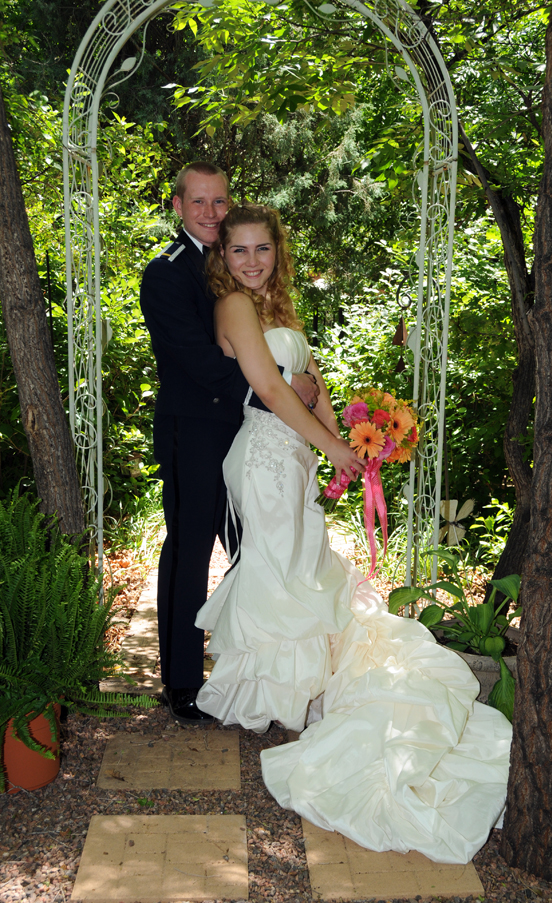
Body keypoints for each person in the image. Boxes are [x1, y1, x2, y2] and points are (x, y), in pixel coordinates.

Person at [194, 202, 513, 865]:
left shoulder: (279, 310)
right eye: (239, 250)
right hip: (263, 459)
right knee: (278, 574)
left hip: (296, 456)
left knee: (307, 569)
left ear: (276, 253)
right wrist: (330, 445)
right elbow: (274, 394)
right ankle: (275, 702)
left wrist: (344, 444)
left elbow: (312, 391)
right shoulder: (233, 309)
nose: (251, 261)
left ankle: (303, 695)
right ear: (222, 257)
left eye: (262, 250)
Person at [140, 163, 322, 725]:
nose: (211, 213)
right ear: (178, 206)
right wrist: (273, 388)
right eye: (199, 202)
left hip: (247, 434)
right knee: (191, 548)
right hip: (193, 429)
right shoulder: (166, 274)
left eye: (220, 201)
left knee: (257, 549)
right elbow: (198, 359)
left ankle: (259, 671)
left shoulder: (239, 261)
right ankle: (183, 683)